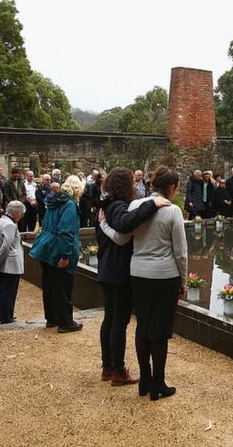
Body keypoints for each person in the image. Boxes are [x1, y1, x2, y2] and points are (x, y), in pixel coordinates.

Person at [95, 167, 169, 385]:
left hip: (108, 269)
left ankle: (108, 367)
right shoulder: (117, 206)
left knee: (110, 319)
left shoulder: (105, 205)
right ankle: (118, 370)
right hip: (118, 272)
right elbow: (125, 227)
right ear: (126, 185)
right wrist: (152, 203)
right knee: (118, 321)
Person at [128, 166, 187, 400]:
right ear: (171, 188)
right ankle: (158, 383)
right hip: (164, 276)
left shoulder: (134, 206)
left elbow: (123, 235)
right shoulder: (173, 211)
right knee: (159, 332)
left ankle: (144, 380)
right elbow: (181, 252)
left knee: (142, 326)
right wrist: (183, 280)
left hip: (138, 273)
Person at [29, 175, 85, 333]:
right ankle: (65, 322)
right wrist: (66, 255)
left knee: (49, 285)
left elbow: (46, 223)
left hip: (45, 246)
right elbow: (66, 231)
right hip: (56, 249)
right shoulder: (69, 205)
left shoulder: (54, 201)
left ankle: (52, 318)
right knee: (62, 286)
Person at [0, 201, 26, 324]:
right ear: (16, 213)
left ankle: (4, 315)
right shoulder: (10, 225)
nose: (21, 217)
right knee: (8, 291)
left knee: (2, 289)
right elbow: (5, 247)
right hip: (10, 264)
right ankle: (6, 316)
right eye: (21, 214)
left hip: (3, 263)